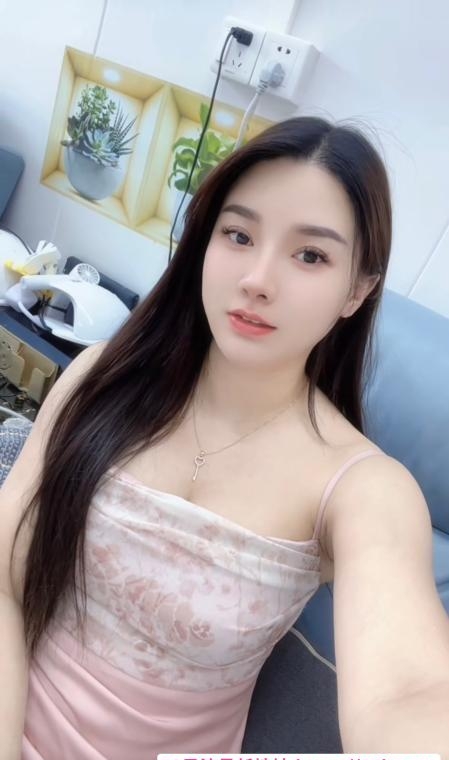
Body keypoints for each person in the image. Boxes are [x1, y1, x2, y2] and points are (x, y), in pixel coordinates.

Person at [1, 116, 448, 760]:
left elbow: (410, 693)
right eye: (238, 235)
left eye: (310, 255)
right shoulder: (103, 376)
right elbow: (5, 576)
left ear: (357, 290)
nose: (258, 279)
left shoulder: (362, 488)